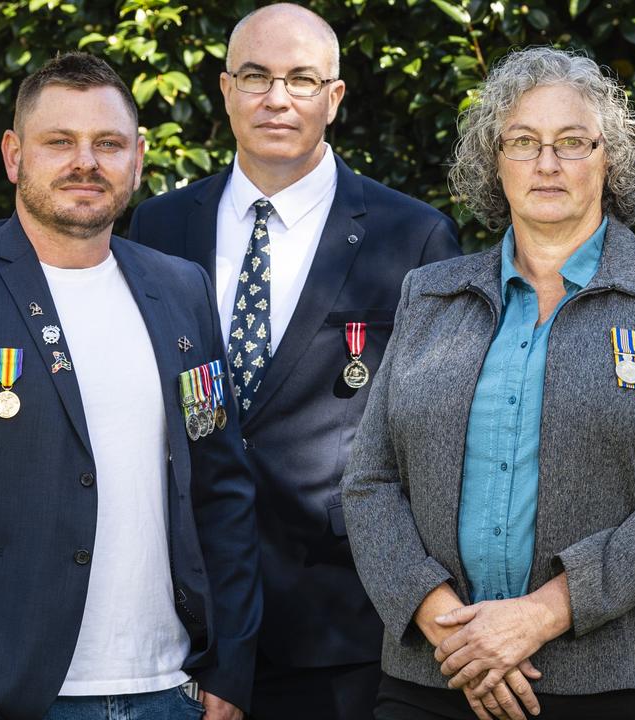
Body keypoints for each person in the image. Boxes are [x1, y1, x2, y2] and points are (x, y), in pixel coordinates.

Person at [0, 53, 261, 720]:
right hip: (2, 697)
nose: (85, 162)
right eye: (59, 141)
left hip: (171, 690)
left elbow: (221, 487)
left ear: (138, 158)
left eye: (108, 144)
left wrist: (231, 666)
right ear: (14, 154)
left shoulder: (181, 291)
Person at [341, 46, 635, 720]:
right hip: (436, 679)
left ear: (608, 158)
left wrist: (538, 616)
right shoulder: (430, 293)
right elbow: (370, 480)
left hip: (620, 683)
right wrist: (454, 631)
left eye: (572, 143)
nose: (548, 163)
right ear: (494, 161)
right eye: (524, 142)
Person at [126, 4, 460, 719]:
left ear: (334, 98)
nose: (277, 98)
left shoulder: (413, 239)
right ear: (224, 89)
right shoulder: (158, 226)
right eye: (256, 76)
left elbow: (436, 447)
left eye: (302, 79)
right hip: (177, 613)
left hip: (339, 626)